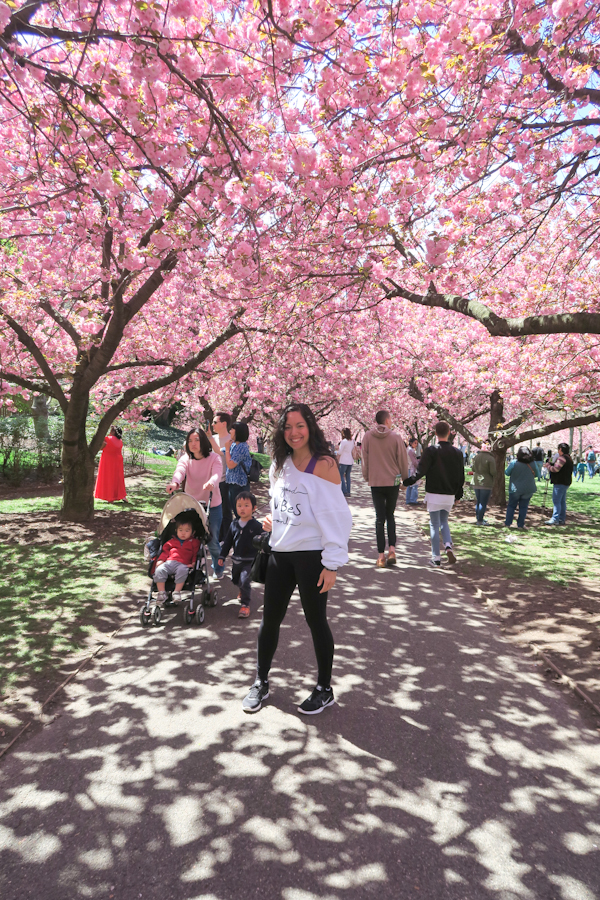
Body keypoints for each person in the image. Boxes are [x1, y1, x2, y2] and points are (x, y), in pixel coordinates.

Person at [242, 403, 352, 715]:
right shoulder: (280, 463)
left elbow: (336, 516)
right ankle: (261, 681)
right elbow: (283, 504)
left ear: (310, 427)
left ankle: (324, 688)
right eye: (288, 427)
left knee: (316, 621)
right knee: (269, 620)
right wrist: (272, 521)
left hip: (312, 557)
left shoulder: (325, 465)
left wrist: (331, 563)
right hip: (279, 553)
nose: (294, 433)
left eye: (300, 426)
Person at [403, 421, 464, 567]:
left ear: (435, 433)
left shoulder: (430, 451)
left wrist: (407, 482)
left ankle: (436, 557)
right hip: (449, 494)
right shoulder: (457, 452)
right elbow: (460, 476)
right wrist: (458, 495)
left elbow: (421, 471)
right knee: (444, 521)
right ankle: (448, 545)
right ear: (449, 433)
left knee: (434, 524)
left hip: (434, 493)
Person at [167, 427, 224, 578]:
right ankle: (188, 567)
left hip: (212, 506)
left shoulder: (214, 458)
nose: (193, 444)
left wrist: (212, 482)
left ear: (203, 441)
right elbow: (180, 471)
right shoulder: (186, 458)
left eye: (197, 440)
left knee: (212, 541)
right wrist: (175, 483)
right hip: (192, 505)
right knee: (188, 537)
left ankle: (218, 568)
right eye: (190, 440)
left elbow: (217, 474)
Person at [361, 410, 409, 568]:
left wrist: (367, 476)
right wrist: (404, 479)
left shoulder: (367, 436)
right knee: (390, 515)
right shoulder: (396, 437)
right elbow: (402, 459)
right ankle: (392, 550)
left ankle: (380, 556)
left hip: (376, 482)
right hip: (392, 482)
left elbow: (365, 458)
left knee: (379, 518)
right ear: (387, 420)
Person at [218, 491, 264, 618]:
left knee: (244, 580)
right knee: (236, 579)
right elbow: (227, 542)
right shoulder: (234, 524)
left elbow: (264, 539)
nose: (242, 508)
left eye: (246, 505)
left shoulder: (256, 526)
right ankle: (242, 590)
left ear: (254, 508)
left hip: (250, 560)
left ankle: (245, 605)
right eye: (239, 505)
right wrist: (222, 556)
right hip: (236, 560)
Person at [154, 515, 200, 605]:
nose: (183, 533)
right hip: (169, 562)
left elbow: (196, 553)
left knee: (182, 571)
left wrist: (193, 562)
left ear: (193, 532)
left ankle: (176, 592)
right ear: (176, 531)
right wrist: (161, 560)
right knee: (159, 570)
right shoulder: (171, 542)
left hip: (183, 564)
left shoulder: (194, 542)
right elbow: (165, 552)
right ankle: (162, 593)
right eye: (180, 530)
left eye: (187, 531)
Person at [208, 412, 233, 540]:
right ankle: (217, 536)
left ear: (224, 424)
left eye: (215, 422)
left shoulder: (230, 439)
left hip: (226, 480)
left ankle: (227, 538)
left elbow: (221, 452)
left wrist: (210, 438)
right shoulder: (214, 438)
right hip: (214, 479)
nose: (212, 425)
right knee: (215, 509)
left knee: (226, 511)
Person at [505, 447, 537, 529]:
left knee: (511, 506)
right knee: (523, 507)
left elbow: (507, 473)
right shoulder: (533, 463)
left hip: (515, 488)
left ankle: (508, 523)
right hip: (528, 488)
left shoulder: (514, 463)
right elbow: (537, 474)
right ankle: (520, 524)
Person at [224, 422, 252, 515]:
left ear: (238, 432)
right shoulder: (234, 445)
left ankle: (246, 529)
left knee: (241, 513)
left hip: (239, 485)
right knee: (237, 512)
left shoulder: (241, 447)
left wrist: (227, 449)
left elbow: (231, 464)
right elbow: (219, 451)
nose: (230, 431)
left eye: (232, 429)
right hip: (233, 483)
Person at [94, 425, 126, 502]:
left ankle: (109, 497)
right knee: (117, 479)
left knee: (108, 478)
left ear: (113, 432)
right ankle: (122, 495)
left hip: (107, 460)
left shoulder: (107, 439)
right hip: (118, 461)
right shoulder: (120, 441)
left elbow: (100, 447)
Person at [544, 443, 574, 525]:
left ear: (560, 449)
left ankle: (555, 518)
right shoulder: (569, 458)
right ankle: (561, 518)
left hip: (560, 482)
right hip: (566, 482)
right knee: (562, 501)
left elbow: (555, 469)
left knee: (556, 501)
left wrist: (548, 466)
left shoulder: (562, 458)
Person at [472, 444, 496, 525]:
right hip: (486, 482)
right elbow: (493, 472)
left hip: (476, 481)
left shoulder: (476, 457)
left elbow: (473, 468)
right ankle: (480, 520)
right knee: (483, 502)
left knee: (478, 501)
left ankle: (479, 518)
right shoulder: (490, 458)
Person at [337, 428, 355, 498]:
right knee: (348, 476)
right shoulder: (352, 441)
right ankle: (348, 491)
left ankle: (344, 491)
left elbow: (340, 452)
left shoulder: (344, 441)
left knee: (341, 475)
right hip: (350, 461)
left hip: (343, 461)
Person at [405, 438, 420, 505]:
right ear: (411, 443)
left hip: (408, 468)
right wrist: (419, 467)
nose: (416, 445)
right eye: (415, 443)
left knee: (409, 485)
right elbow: (414, 461)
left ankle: (409, 499)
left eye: (417, 443)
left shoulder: (408, 449)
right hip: (412, 469)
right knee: (414, 485)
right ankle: (413, 500)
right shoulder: (411, 451)